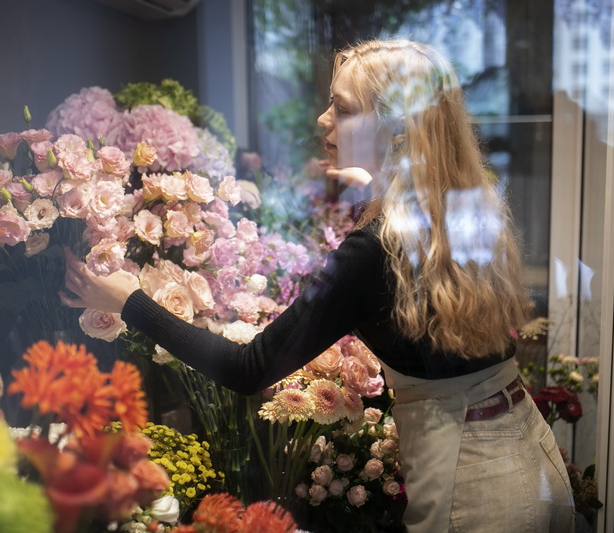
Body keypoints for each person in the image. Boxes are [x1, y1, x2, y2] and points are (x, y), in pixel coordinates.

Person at [61, 39, 576, 532]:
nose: (322, 120)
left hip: (473, 486)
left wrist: (129, 302)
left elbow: (250, 368)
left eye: (344, 109)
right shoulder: (458, 204)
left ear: (397, 131)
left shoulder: (375, 250)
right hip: (531, 457)